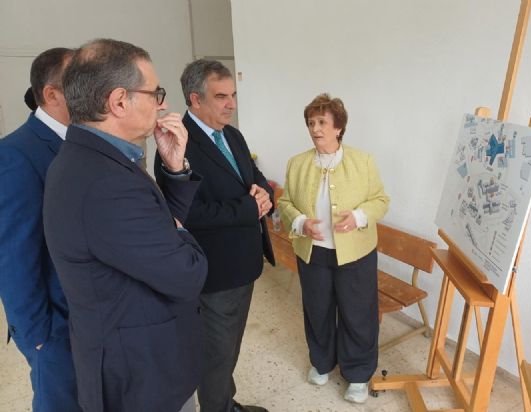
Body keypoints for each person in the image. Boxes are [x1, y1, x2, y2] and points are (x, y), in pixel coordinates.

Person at [42, 39, 208, 412]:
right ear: (119, 101)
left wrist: (174, 170)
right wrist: (177, 230)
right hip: (141, 378)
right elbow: (187, 273)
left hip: (136, 359)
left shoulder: (93, 159)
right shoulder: (105, 183)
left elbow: (150, 239)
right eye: (155, 93)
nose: (162, 105)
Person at [155, 59, 274, 412]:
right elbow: (187, 213)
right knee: (216, 354)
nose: (231, 104)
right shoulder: (177, 144)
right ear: (195, 99)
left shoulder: (232, 135)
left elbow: (253, 175)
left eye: (233, 95)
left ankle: (225, 402)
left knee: (229, 347)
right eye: (221, 97)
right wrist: (249, 208)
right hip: (215, 272)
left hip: (245, 263)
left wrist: (265, 193)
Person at [278, 93, 390, 404]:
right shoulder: (297, 163)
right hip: (313, 252)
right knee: (317, 310)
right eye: (311, 123)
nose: (315, 129)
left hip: (355, 253)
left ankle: (358, 374)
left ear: (338, 127)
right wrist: (300, 222)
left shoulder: (363, 161)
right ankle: (322, 361)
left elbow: (381, 200)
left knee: (358, 313)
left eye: (322, 122)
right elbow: (285, 202)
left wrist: (359, 216)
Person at [0, 47, 82, 412]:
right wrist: (38, 337)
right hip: (55, 329)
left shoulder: (84, 143)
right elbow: (13, 256)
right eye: (81, 82)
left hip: (93, 321)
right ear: (51, 94)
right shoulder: (16, 154)